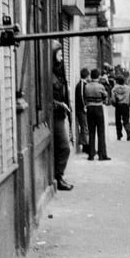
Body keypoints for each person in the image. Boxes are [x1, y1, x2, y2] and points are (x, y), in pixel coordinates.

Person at [51, 63, 74, 191]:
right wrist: (60, 104)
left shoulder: (60, 76)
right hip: (54, 115)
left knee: (61, 147)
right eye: (58, 55)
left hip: (60, 115)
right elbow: (47, 97)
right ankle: (58, 177)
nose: (60, 59)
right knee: (65, 147)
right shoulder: (51, 76)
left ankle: (58, 176)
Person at [82, 67, 110, 160]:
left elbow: (85, 96)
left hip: (90, 109)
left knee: (91, 131)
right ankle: (102, 155)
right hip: (98, 108)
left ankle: (91, 154)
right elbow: (105, 96)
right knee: (101, 132)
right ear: (98, 76)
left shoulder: (87, 86)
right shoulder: (100, 86)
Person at [111, 74, 130, 141]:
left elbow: (112, 99)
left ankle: (119, 135)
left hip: (118, 106)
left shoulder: (114, 88)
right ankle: (128, 132)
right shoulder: (128, 88)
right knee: (126, 120)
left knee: (118, 121)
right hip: (126, 106)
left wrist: (114, 104)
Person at [73, 67, 89, 155]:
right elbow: (82, 96)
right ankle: (85, 145)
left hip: (81, 109)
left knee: (85, 127)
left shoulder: (82, 84)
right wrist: (84, 107)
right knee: (85, 127)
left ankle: (85, 144)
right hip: (81, 109)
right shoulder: (82, 84)